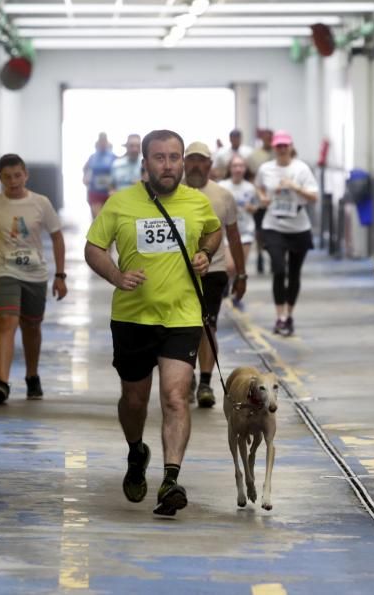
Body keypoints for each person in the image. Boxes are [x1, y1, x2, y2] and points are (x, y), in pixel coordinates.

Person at [84, 129, 222, 517]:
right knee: (135, 400)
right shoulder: (120, 203)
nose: (168, 165)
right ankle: (135, 451)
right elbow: (94, 247)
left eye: (174, 157)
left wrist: (205, 254)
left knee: (176, 397)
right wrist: (115, 275)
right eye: (159, 158)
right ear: (144, 164)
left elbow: (214, 231)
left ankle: (171, 478)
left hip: (181, 316)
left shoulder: (196, 203)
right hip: (132, 318)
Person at [0, 153, 68, 405]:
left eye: (17, 175)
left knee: (31, 327)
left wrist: (60, 275)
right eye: (7, 177)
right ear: (0, 179)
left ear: (26, 175)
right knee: (6, 322)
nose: (13, 181)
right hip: (3, 271)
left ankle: (32, 376)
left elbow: (57, 237)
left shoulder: (41, 203)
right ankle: (2, 382)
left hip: (35, 274)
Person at [183, 141, 247, 408]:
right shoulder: (171, 194)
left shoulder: (222, 196)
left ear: (210, 165)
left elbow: (233, 236)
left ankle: (206, 381)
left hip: (214, 271)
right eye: (192, 160)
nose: (196, 165)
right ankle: (187, 378)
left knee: (207, 326)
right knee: (185, 329)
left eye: (201, 161)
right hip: (179, 273)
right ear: (184, 164)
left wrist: (241, 275)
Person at [254, 130, 318, 336]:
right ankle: (279, 316)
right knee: (279, 269)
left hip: (298, 227)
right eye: (278, 146)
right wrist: (262, 197)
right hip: (273, 225)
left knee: (294, 273)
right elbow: (258, 186)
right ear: (273, 148)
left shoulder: (301, 169)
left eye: (285, 146)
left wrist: (295, 187)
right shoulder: (266, 169)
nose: (282, 149)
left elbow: (313, 197)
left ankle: (289, 315)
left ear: (290, 147)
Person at [218, 154, 258, 307]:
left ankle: (236, 291)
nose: (238, 169)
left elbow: (256, 207)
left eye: (241, 165)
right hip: (228, 231)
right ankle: (227, 283)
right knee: (230, 266)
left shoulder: (250, 187)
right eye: (235, 166)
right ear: (230, 168)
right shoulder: (223, 186)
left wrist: (251, 208)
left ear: (245, 168)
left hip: (246, 231)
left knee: (240, 266)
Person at [247, 129, 274, 273]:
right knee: (260, 229)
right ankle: (260, 254)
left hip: (275, 199)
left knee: (274, 229)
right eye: (266, 138)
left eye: (271, 138)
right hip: (260, 199)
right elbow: (250, 176)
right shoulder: (254, 156)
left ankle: (274, 255)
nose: (269, 140)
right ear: (262, 138)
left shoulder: (277, 153)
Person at [82, 132, 116, 218]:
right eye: (101, 141)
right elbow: (85, 168)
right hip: (94, 191)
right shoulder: (92, 157)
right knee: (97, 219)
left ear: (107, 143)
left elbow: (118, 171)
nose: (103, 143)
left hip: (109, 192)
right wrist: (85, 177)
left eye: (104, 141)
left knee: (108, 219)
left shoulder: (113, 157)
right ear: (98, 143)